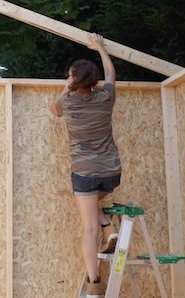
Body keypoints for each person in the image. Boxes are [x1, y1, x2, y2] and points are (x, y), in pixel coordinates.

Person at [48, 33, 121, 298]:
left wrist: (68, 86)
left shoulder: (66, 102)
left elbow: (53, 109)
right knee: (92, 208)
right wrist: (101, 48)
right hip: (112, 173)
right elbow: (111, 75)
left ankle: (94, 283)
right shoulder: (106, 98)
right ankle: (109, 227)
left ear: (73, 79)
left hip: (85, 173)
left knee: (88, 227)